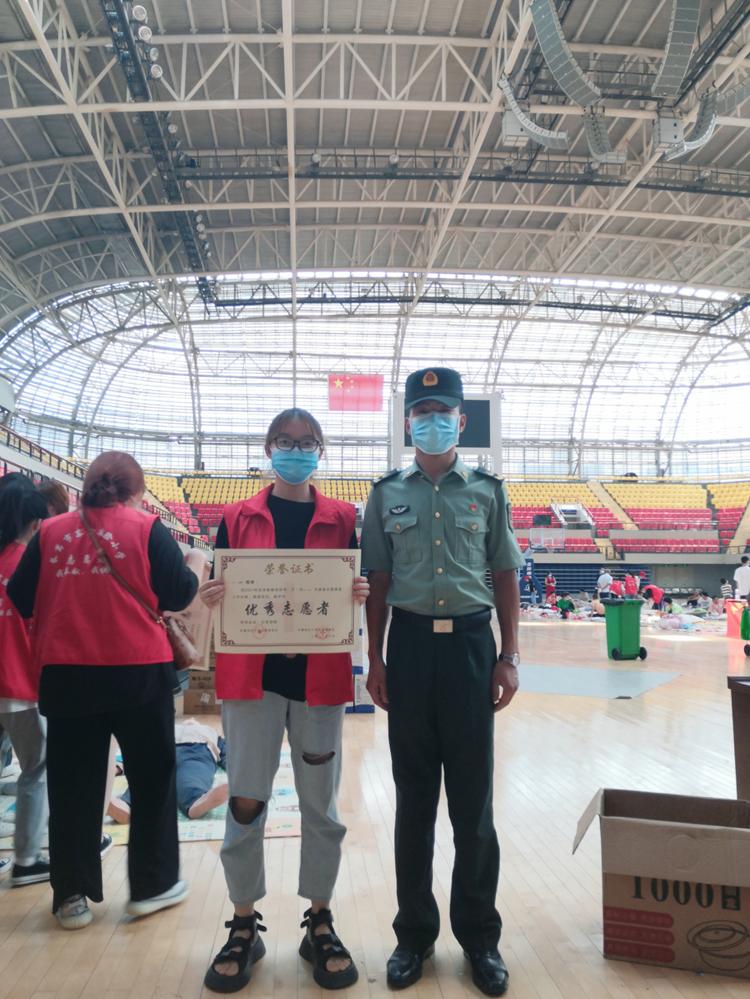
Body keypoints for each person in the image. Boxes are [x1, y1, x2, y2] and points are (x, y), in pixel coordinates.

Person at [362, 367, 523, 997]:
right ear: (408, 423)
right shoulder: (385, 495)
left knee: (473, 803)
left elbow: (504, 573)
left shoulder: (487, 491)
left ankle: (480, 938)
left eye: (443, 412)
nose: (432, 421)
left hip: (470, 650)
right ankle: (414, 935)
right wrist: (375, 660)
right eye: (421, 412)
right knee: (414, 801)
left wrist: (509, 655)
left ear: (462, 420)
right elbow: (377, 581)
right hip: (408, 648)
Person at [199, 408, 368, 994]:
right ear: (268, 447)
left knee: (321, 805)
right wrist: (213, 593)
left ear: (321, 449)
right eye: (286, 442)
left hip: (319, 680)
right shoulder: (236, 516)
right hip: (252, 680)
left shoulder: (343, 517)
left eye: (307, 442)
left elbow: (351, 584)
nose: (297, 451)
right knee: (246, 802)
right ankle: (244, 923)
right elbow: (221, 585)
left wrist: (358, 590)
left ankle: (319, 919)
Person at [8, 451, 198, 930]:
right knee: (152, 780)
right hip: (139, 672)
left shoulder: (51, 532)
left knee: (72, 785)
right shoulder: (147, 528)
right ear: (137, 492)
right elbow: (179, 592)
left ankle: (71, 897)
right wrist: (195, 564)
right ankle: (152, 887)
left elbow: (21, 596)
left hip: (67, 675)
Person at [0, 476, 50, 887]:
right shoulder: (32, 565)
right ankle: (27, 860)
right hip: (20, 686)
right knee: (36, 768)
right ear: (35, 522)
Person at [109, 717, 228, 823]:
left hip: (196, 753)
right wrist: (117, 767)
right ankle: (124, 806)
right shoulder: (163, 729)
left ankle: (197, 803)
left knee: (190, 779)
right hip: (161, 751)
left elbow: (228, 755)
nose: (191, 720)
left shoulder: (211, 733)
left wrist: (234, 771)